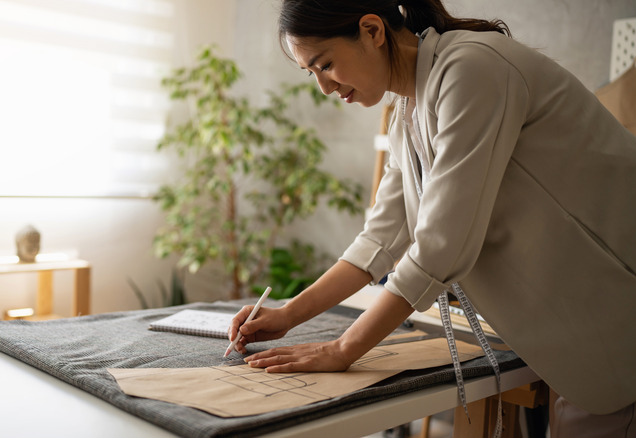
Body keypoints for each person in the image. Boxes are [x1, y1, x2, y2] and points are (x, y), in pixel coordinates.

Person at [227, 0, 636, 435]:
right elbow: (380, 240)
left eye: (325, 64)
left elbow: (442, 246)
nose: (324, 87)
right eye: (311, 73)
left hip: (614, 302)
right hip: (577, 328)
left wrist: (344, 348)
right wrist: (288, 315)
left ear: (372, 30)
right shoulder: (408, 114)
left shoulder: (473, 69)